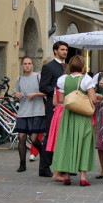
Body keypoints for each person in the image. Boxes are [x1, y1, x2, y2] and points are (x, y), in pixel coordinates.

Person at [51, 55, 102, 186]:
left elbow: (61, 100)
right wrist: (97, 96)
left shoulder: (63, 79)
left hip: (68, 115)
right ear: (82, 66)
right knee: (84, 143)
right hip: (83, 116)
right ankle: (83, 177)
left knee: (68, 143)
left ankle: (67, 175)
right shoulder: (86, 80)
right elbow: (93, 99)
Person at [38, 41, 68, 177]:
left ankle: (61, 166)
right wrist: (58, 91)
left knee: (63, 136)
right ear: (55, 51)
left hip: (65, 106)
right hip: (53, 105)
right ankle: (44, 167)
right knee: (50, 134)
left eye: (66, 50)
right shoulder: (49, 67)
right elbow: (43, 86)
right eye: (62, 50)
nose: (65, 52)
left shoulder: (67, 67)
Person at [13, 56, 45, 172]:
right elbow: (15, 91)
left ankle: (43, 154)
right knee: (21, 137)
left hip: (36, 111)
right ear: (22, 65)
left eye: (29, 63)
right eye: (25, 64)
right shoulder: (19, 79)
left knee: (34, 139)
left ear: (32, 65)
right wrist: (16, 95)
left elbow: (45, 92)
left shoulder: (38, 77)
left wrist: (34, 95)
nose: (27, 65)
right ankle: (22, 164)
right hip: (23, 112)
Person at [29, 56, 53, 162]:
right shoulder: (38, 76)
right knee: (39, 130)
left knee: (44, 131)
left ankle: (37, 153)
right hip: (41, 104)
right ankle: (35, 152)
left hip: (46, 104)